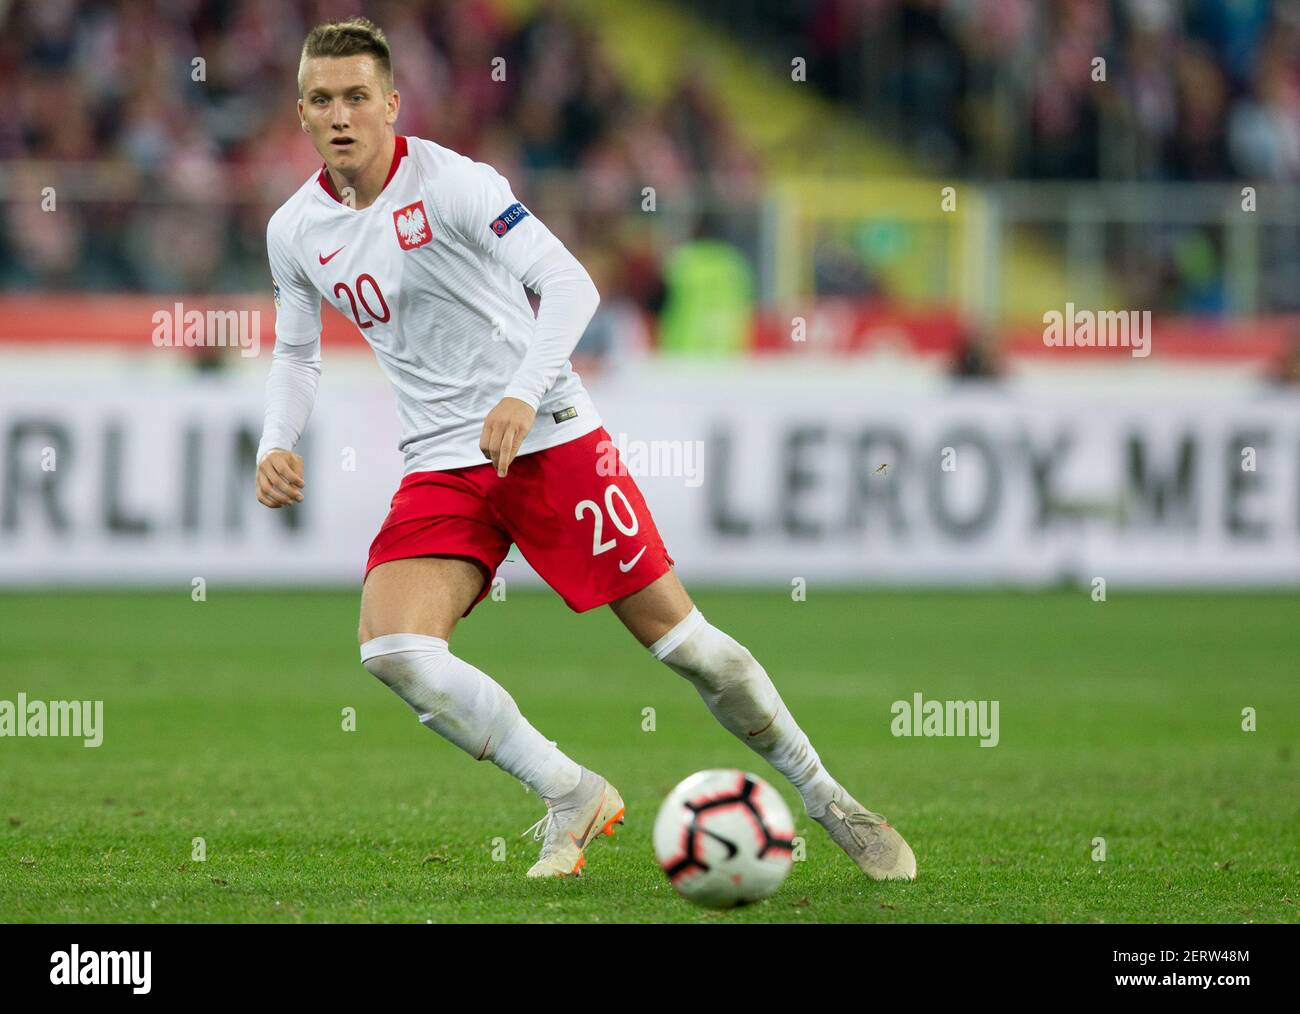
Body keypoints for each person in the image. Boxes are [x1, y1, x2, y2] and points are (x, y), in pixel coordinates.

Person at [255, 17, 915, 881]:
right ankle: (569, 790)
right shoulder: (295, 229)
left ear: (390, 103)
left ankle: (829, 798)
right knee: (393, 650)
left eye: (355, 97)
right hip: (442, 463)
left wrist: (523, 393)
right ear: (301, 113)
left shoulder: (455, 183)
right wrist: (277, 440)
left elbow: (571, 283)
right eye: (320, 99)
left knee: (689, 649)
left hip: (551, 438)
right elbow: (296, 351)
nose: (339, 115)